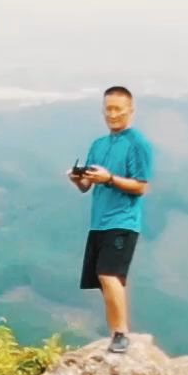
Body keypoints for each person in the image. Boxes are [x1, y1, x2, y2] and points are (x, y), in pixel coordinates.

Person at [69, 85, 155, 354]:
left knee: (109, 274)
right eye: (108, 109)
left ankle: (120, 333)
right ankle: (115, 332)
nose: (113, 114)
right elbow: (87, 187)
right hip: (99, 221)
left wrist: (110, 179)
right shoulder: (99, 144)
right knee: (104, 278)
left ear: (131, 110)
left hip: (123, 220)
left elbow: (141, 186)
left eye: (118, 109)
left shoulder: (137, 144)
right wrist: (79, 179)